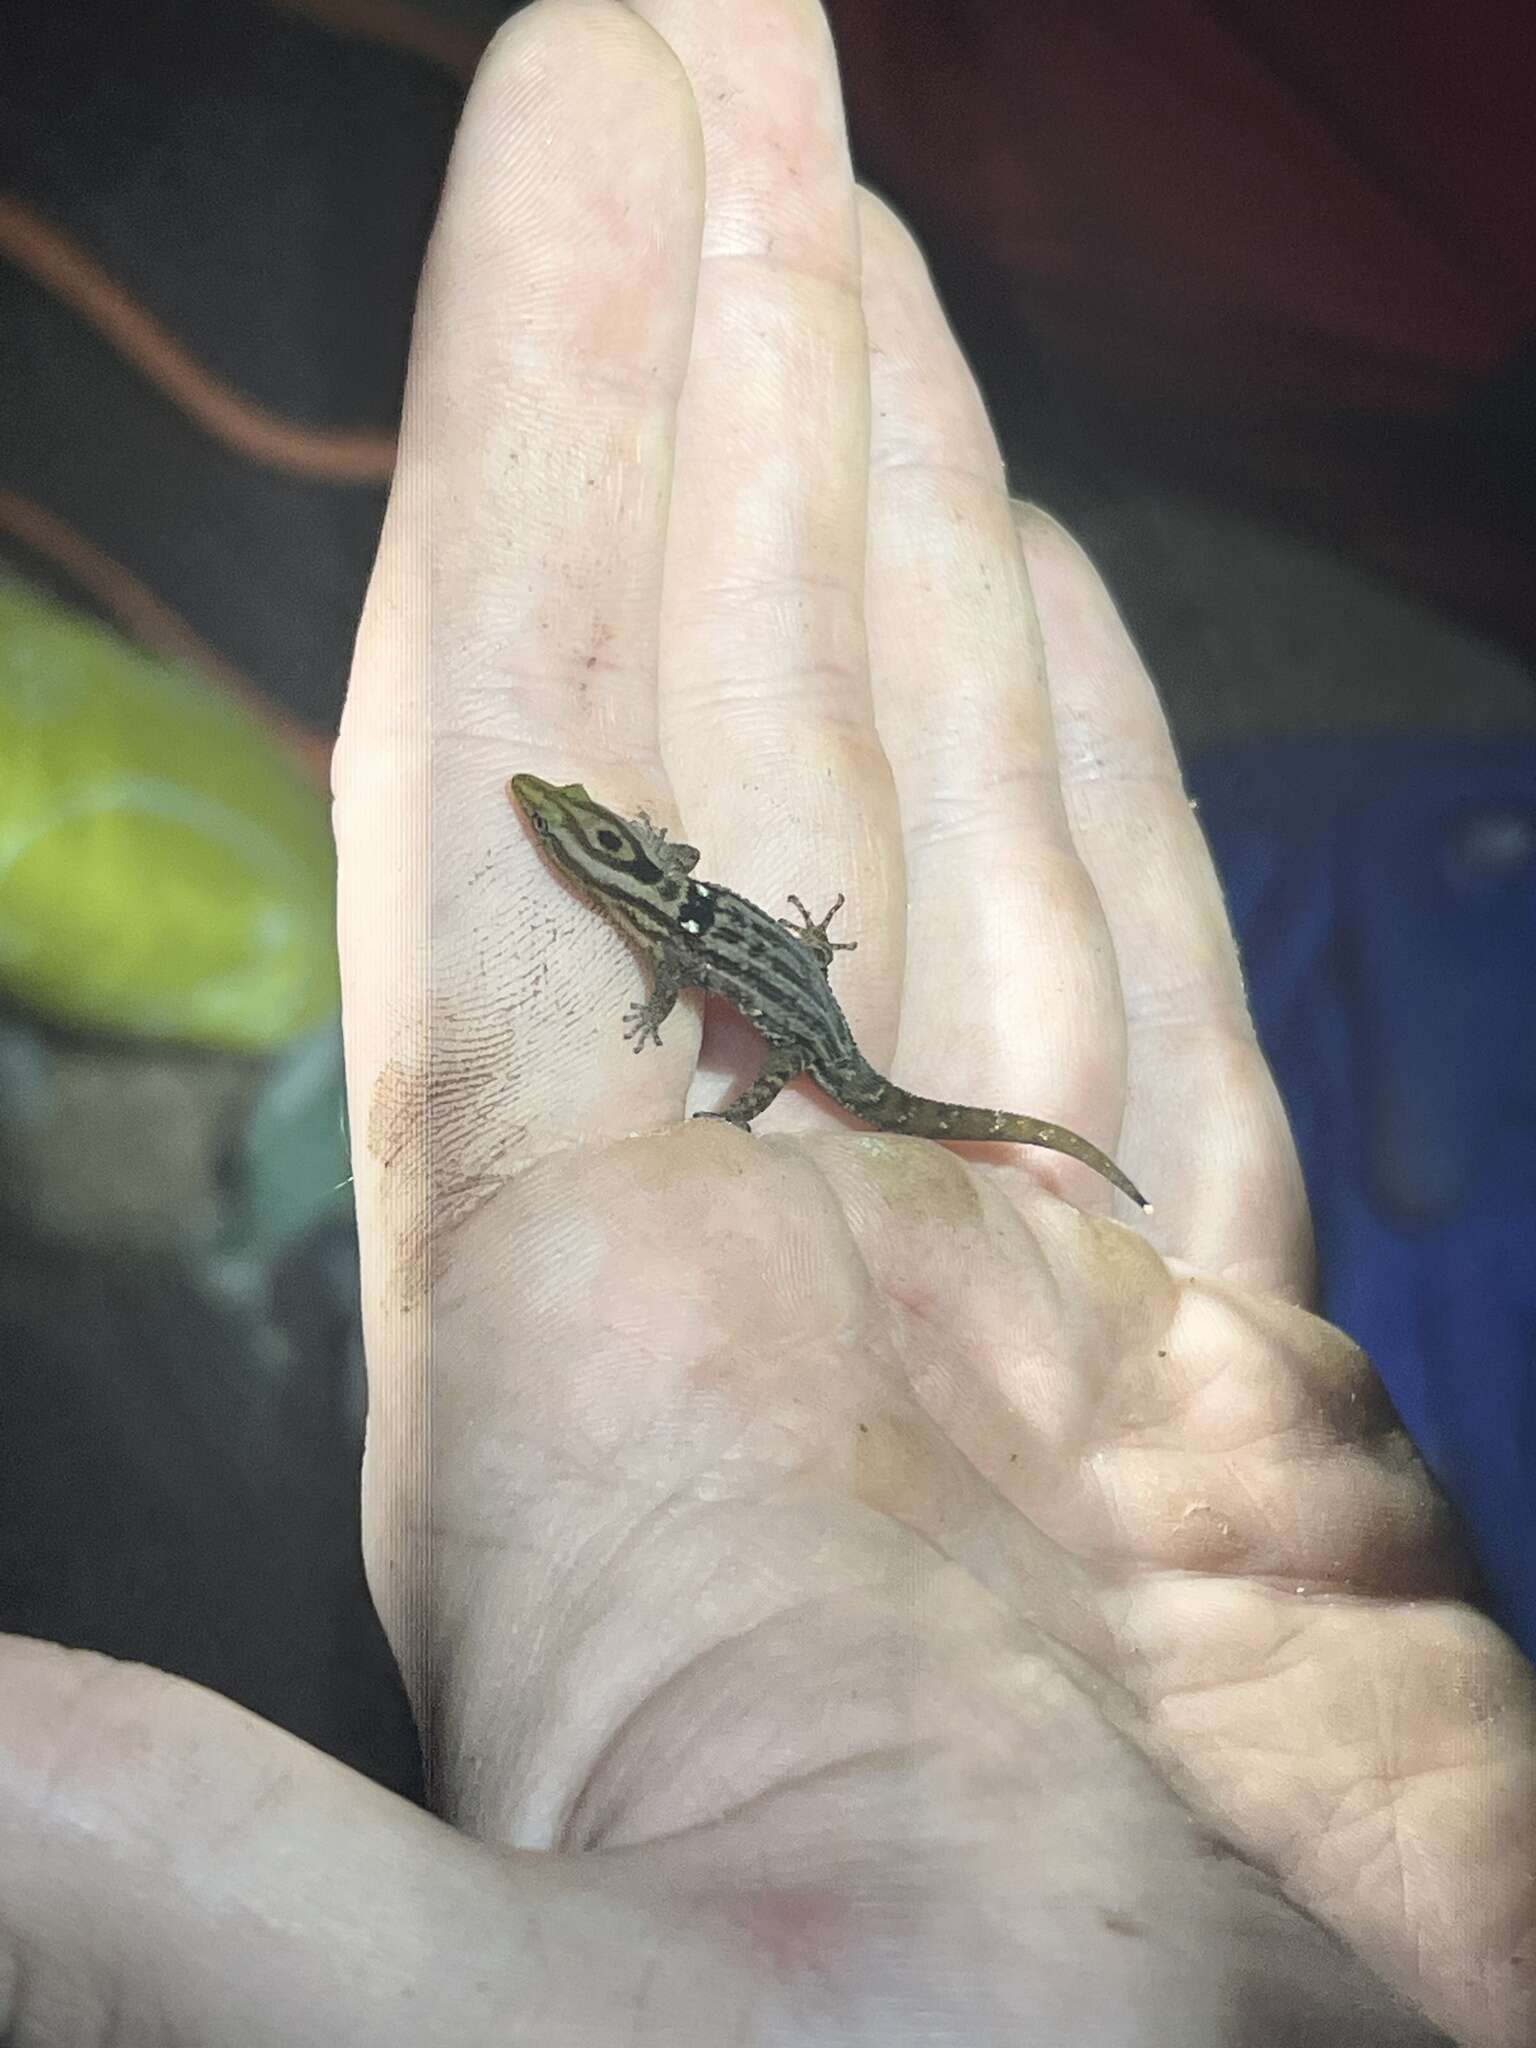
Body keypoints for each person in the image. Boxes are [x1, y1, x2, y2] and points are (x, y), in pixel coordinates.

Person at [2, 2, 1530, 2040]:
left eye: (565, 828)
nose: (560, 834)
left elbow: (721, 984)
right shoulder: (666, 894)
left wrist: (734, 1060)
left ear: (600, 860)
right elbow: (698, 933)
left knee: (842, 1066)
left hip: (803, 1011)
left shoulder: (719, 974)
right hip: (779, 971)